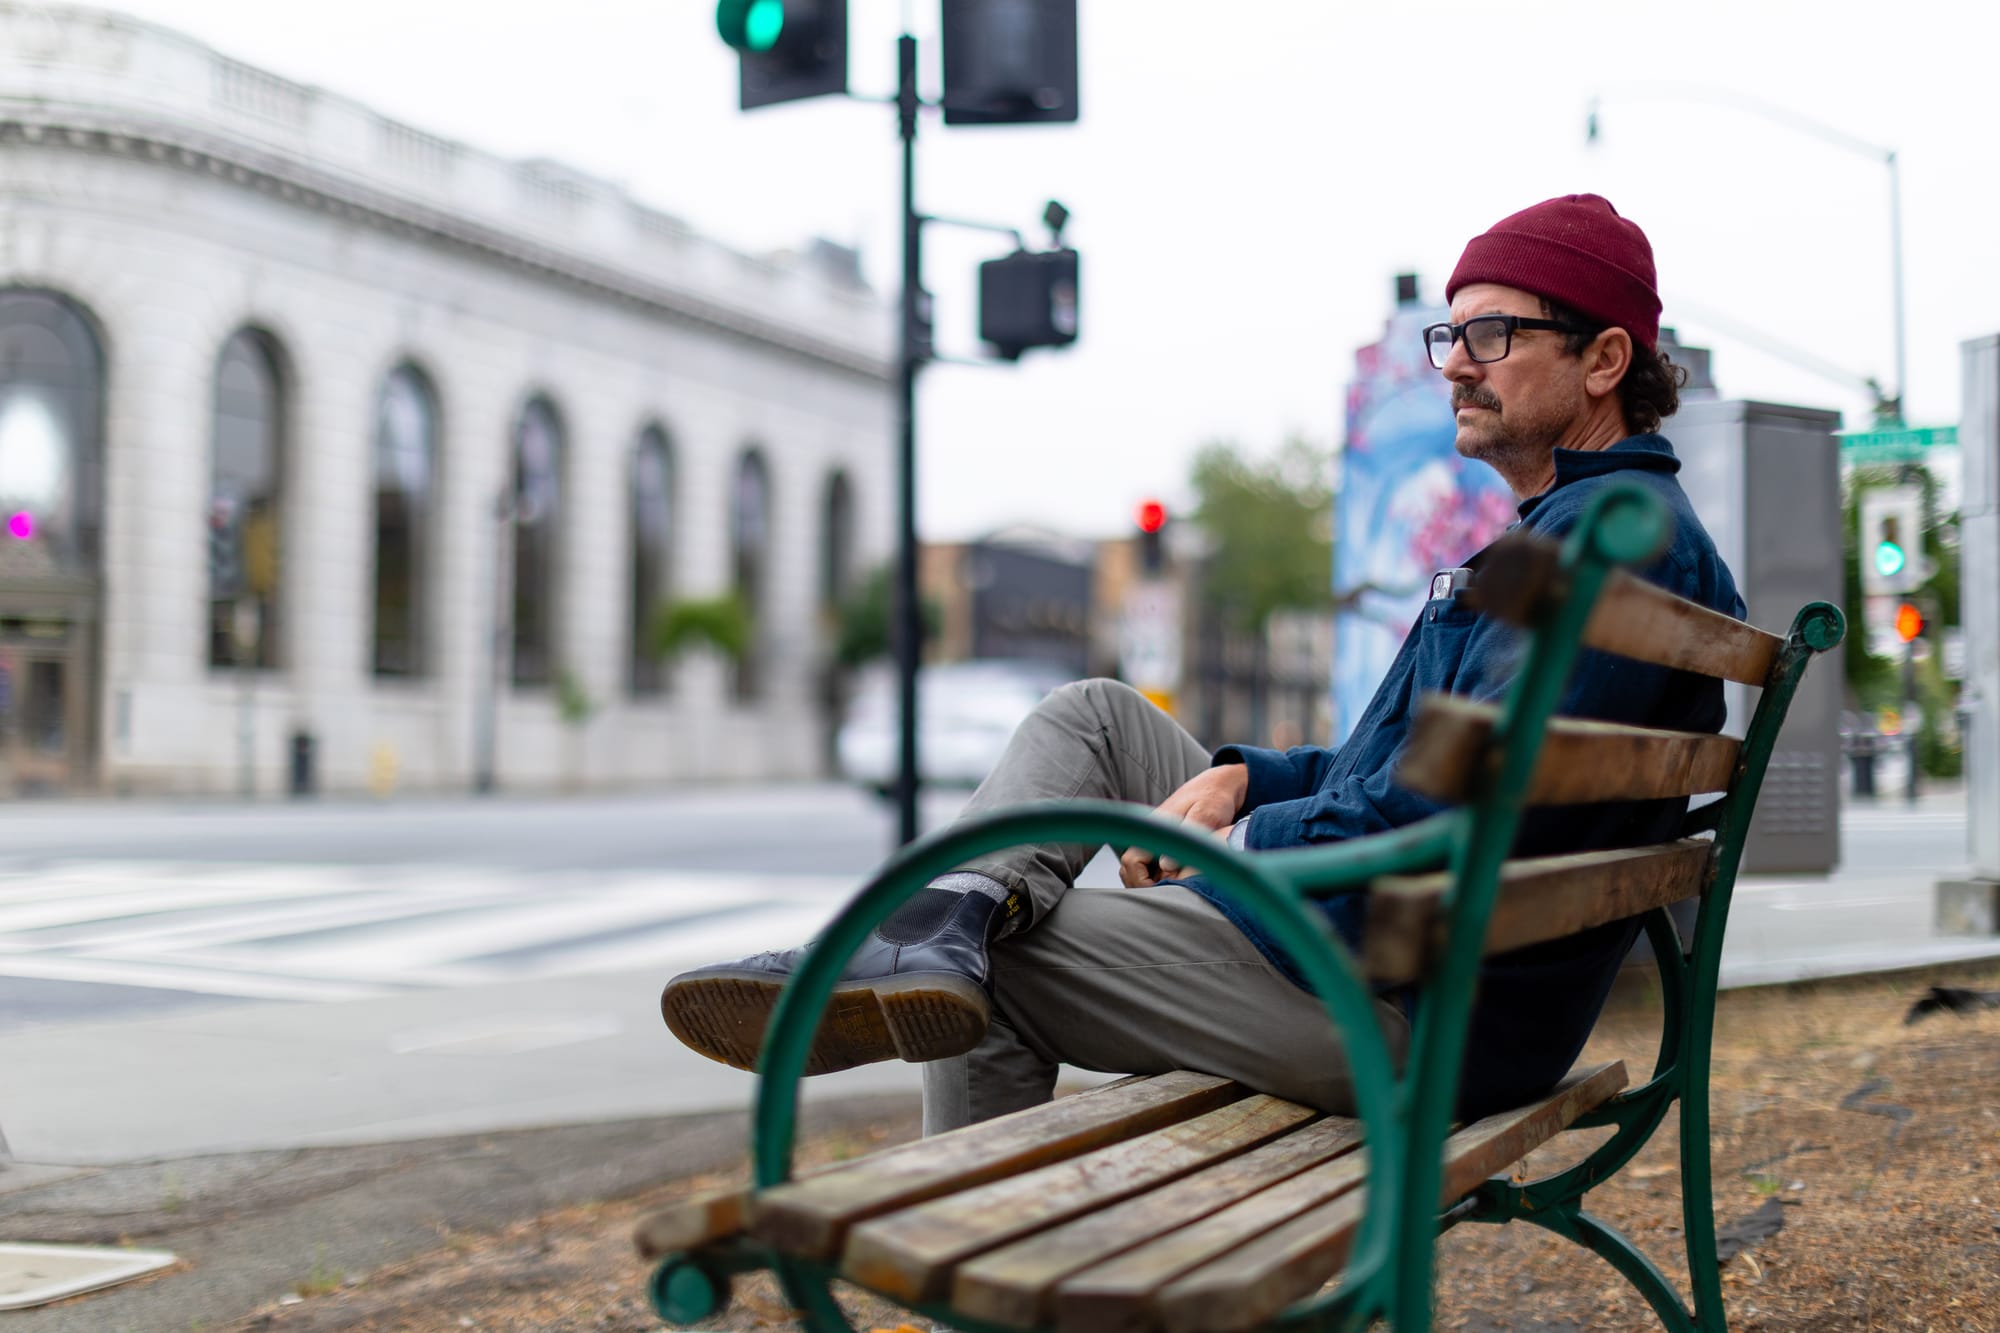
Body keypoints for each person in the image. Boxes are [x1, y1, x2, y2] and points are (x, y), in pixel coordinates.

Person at [662, 193, 1745, 1135]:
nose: (1454, 363)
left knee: (999, 967)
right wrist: (1249, 778)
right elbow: (1414, 770)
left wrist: (1246, 842)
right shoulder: (1586, 530)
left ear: (1604, 359)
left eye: (1494, 334)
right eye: (1449, 336)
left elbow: (1465, 818)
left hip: (1404, 998)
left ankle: (941, 1059)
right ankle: (938, 919)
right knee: (1094, 715)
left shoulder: (1600, 545)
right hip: (1388, 943)